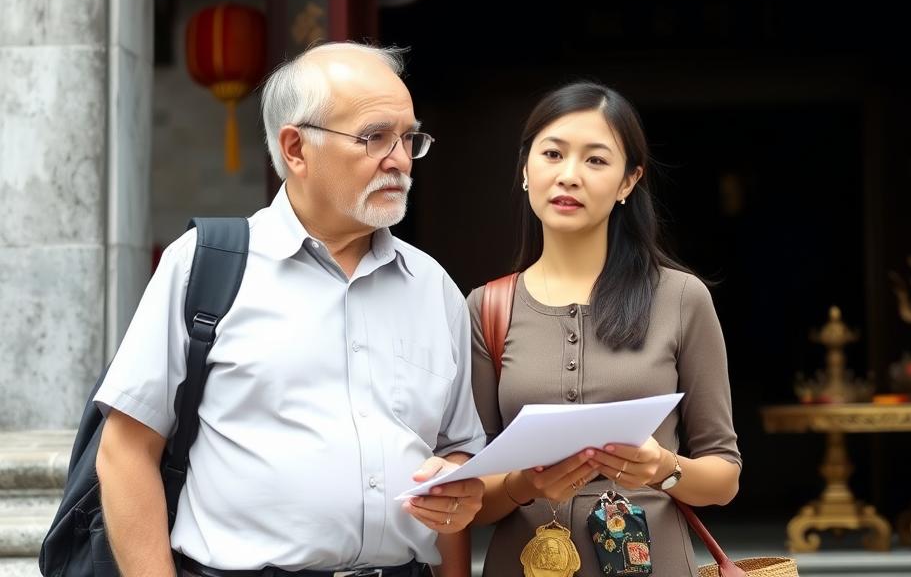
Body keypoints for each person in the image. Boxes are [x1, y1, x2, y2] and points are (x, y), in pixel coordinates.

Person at [95, 42, 486, 577]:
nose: (399, 159)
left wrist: (459, 481)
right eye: (375, 137)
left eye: (409, 138)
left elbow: (456, 451)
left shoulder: (432, 286)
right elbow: (125, 451)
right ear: (296, 148)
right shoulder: (207, 265)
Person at [467, 82, 741, 577]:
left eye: (595, 161)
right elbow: (473, 500)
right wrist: (522, 484)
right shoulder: (488, 307)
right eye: (552, 154)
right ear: (526, 169)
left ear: (627, 182)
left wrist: (664, 469)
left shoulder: (681, 298)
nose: (569, 176)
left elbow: (723, 478)